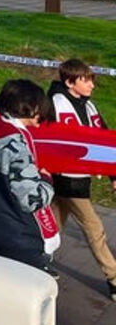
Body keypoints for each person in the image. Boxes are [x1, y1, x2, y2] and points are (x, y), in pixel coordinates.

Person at [0, 79, 58, 276]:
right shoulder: (16, 143)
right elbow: (32, 199)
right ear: (31, 107)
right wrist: (46, 180)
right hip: (22, 233)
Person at [47, 59, 116, 299]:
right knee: (94, 227)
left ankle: (32, 260)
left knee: (52, 226)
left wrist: (112, 173)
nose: (92, 86)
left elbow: (105, 139)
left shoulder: (89, 107)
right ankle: (114, 277)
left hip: (78, 177)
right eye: (86, 80)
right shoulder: (53, 104)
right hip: (66, 179)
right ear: (69, 82)